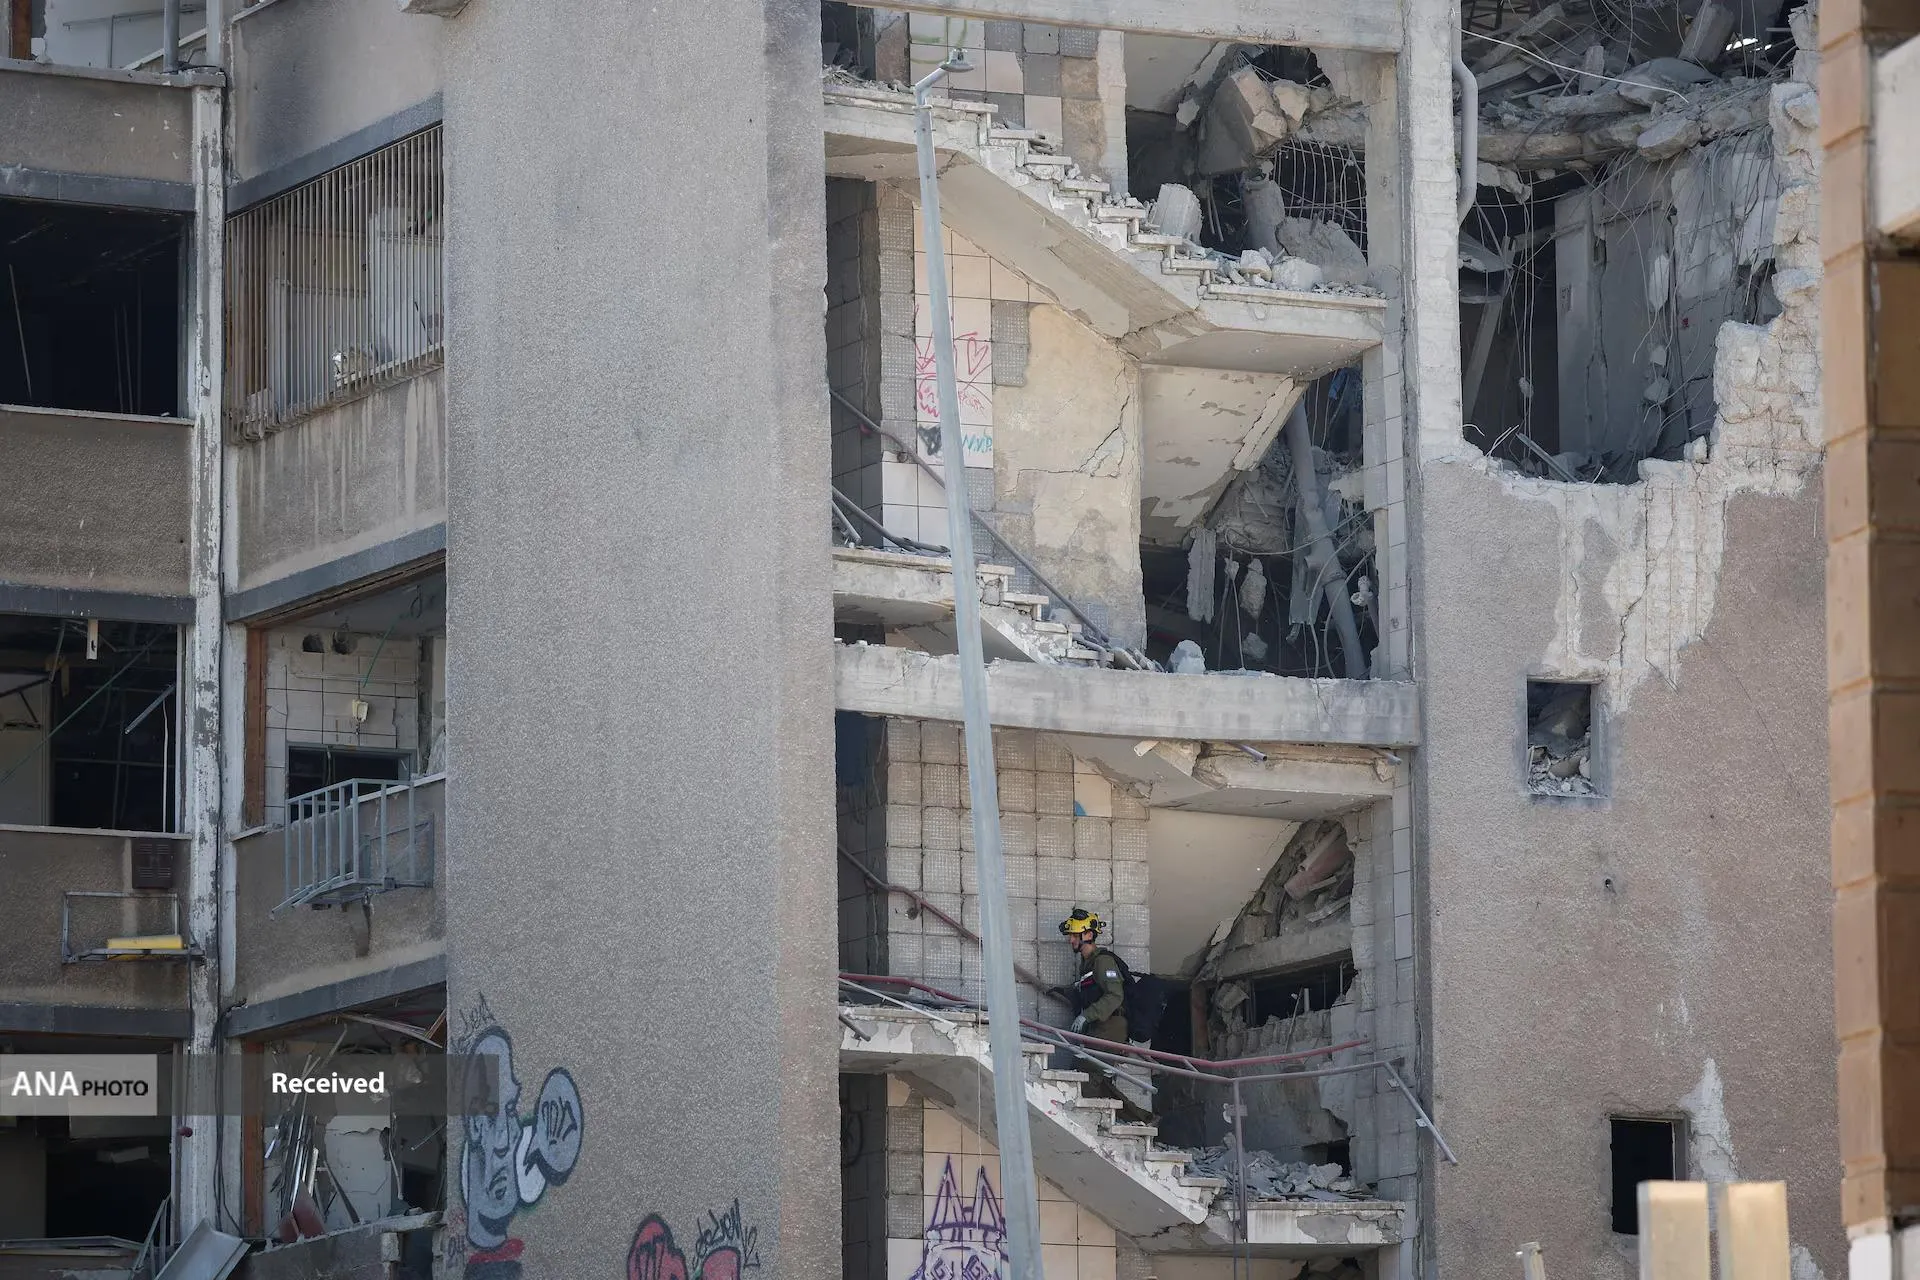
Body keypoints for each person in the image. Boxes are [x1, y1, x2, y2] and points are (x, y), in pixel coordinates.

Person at [1055, 907, 1149, 1120]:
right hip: (1101, 1027)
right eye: (1070, 935)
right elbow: (1091, 992)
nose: (1071, 940)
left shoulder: (1103, 961)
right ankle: (1141, 1118)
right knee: (1096, 1079)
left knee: (1085, 1072)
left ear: (1088, 935)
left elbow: (1114, 996)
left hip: (1111, 1026)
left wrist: (1086, 1015)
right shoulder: (1088, 964)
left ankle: (1132, 1119)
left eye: (1075, 935)